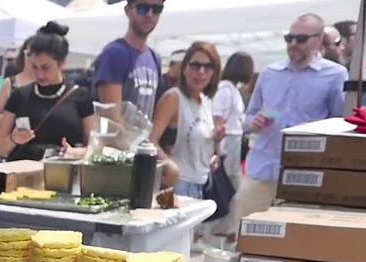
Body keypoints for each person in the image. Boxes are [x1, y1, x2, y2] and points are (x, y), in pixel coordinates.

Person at [234, 13, 346, 225]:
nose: (293, 44)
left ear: (318, 40)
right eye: (289, 38)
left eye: (301, 39)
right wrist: (253, 123)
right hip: (261, 172)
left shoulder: (335, 75)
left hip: (304, 177)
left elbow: (340, 125)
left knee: (295, 239)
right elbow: (248, 117)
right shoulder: (269, 73)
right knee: (247, 234)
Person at [0, 22, 94, 163]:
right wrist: (14, 138)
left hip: (61, 171)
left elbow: (94, 147)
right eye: (34, 67)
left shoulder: (81, 96)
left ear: (61, 63)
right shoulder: (19, 96)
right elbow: (1, 149)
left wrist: (75, 152)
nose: (40, 74)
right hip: (22, 172)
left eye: (46, 67)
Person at [150, 42, 221, 199]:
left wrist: (215, 150)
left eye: (208, 67)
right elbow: (150, 140)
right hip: (178, 186)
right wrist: (169, 165)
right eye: (195, 65)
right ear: (184, 68)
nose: (201, 72)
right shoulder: (174, 98)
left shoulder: (206, 102)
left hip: (202, 185)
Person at [91, 0, 164, 117]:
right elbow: (111, 115)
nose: (149, 14)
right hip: (119, 129)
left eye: (157, 9)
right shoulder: (115, 53)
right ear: (128, 10)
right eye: (142, 8)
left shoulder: (154, 58)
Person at [213, 52, 252, 188]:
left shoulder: (232, 90)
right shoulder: (225, 90)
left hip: (234, 139)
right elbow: (218, 117)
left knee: (233, 175)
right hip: (228, 140)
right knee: (229, 178)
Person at [0, 37, 34, 135]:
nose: (34, 59)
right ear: (23, 55)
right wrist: (15, 116)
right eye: (29, 54)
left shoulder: (51, 84)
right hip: (11, 139)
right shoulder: (10, 83)